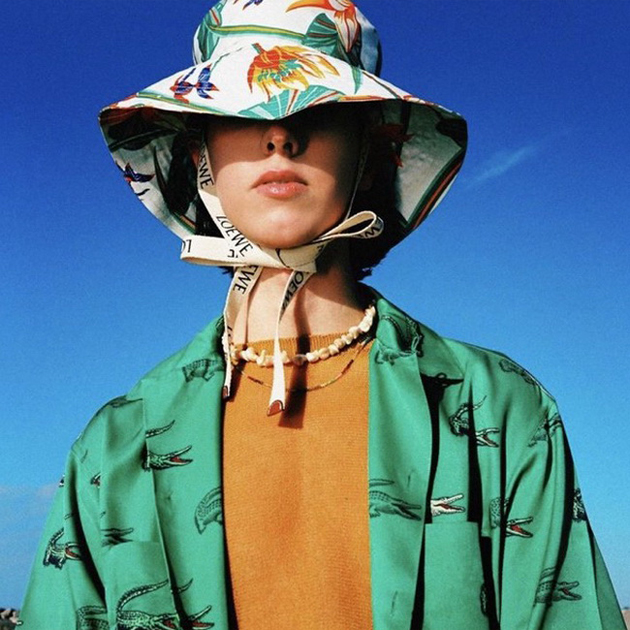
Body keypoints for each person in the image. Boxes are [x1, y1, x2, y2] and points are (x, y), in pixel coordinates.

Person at [20, 1, 625, 629]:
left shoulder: (495, 408)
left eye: (318, 107)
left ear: (369, 148)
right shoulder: (116, 446)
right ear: (200, 151)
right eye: (240, 109)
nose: (280, 135)